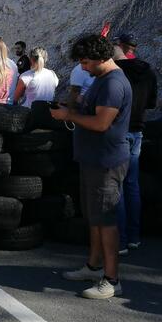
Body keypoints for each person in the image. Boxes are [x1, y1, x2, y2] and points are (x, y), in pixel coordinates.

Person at [51, 35, 132, 300]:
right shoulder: (101, 80)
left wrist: (68, 115)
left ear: (100, 57)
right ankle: (94, 266)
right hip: (93, 160)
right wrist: (70, 107)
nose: (83, 68)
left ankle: (111, 280)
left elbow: (100, 124)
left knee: (106, 221)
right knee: (94, 218)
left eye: (86, 62)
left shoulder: (113, 83)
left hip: (106, 162)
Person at [115, 46, 158, 255]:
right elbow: (152, 103)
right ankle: (133, 236)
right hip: (138, 129)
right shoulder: (149, 73)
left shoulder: (115, 73)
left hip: (120, 130)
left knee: (118, 186)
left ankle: (120, 239)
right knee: (132, 184)